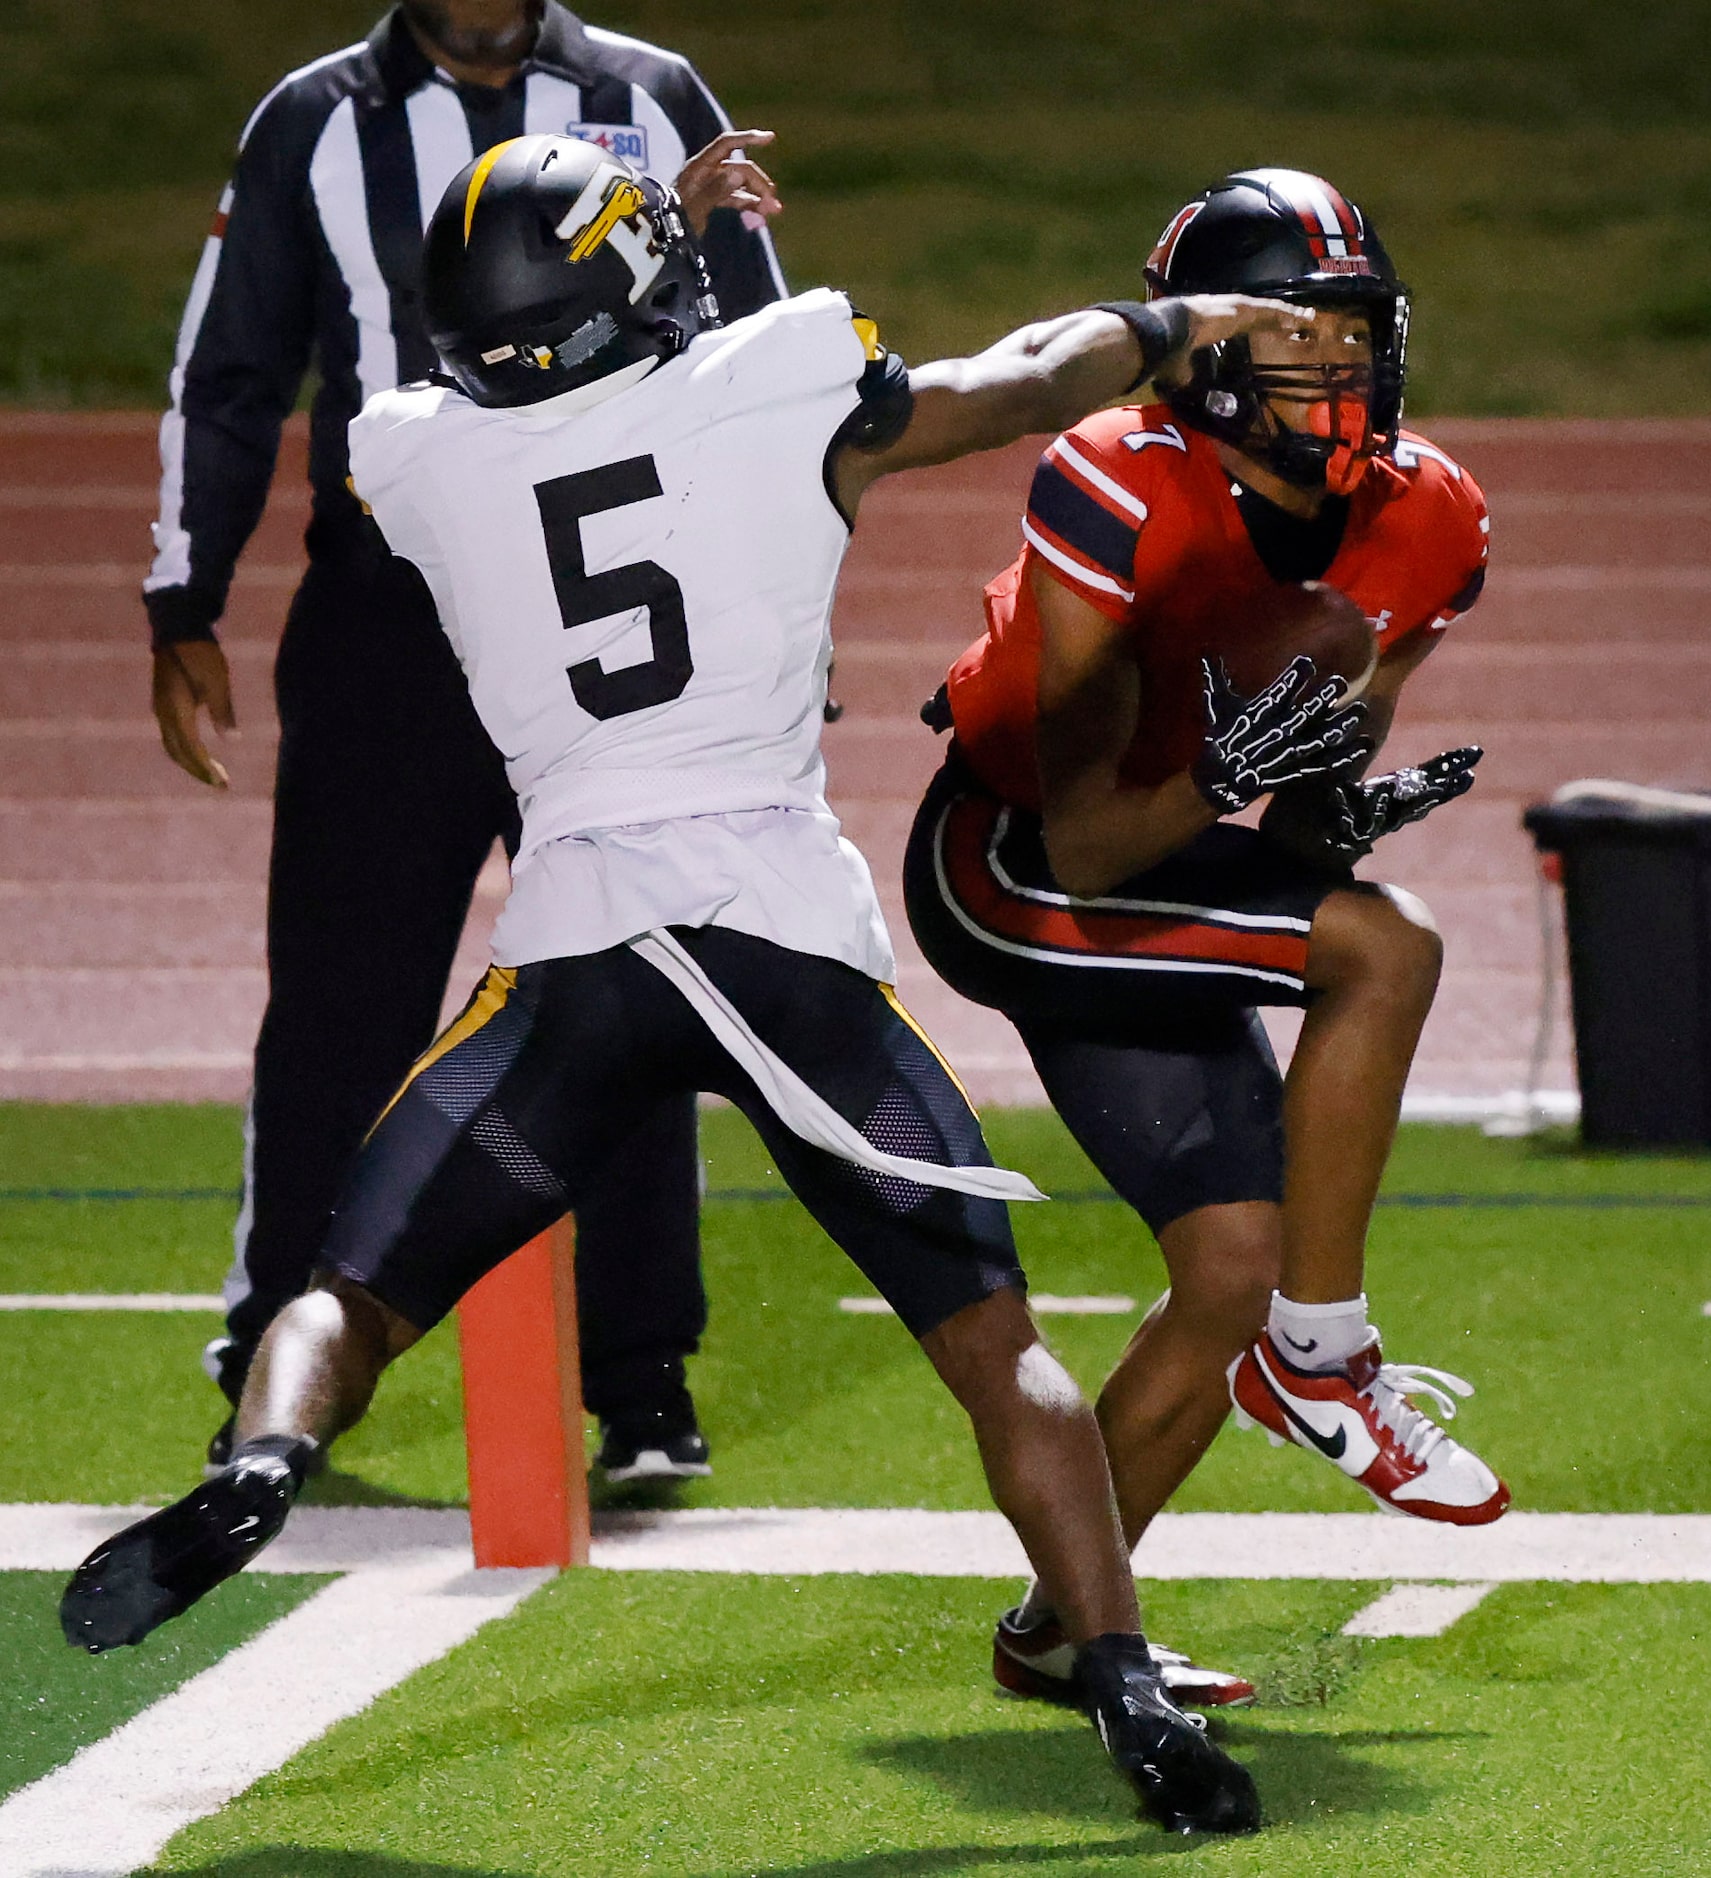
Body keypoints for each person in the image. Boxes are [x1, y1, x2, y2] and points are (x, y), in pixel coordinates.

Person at [57, 135, 1360, 1834]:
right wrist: (1179, 320)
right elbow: (1027, 377)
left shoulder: (416, 456)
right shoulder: (777, 377)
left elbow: (530, 392)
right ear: (631, 288)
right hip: (775, 938)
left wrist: (590, 277)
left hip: (573, 948)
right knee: (998, 1347)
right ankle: (1120, 1685)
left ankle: (255, 1468)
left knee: (349, 1292)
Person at [144, 0, 785, 1485]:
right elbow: (232, 368)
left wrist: (758, 607)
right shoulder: (313, 119)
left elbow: (759, 374)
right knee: (342, 999)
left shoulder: (651, 92)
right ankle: (275, 1350)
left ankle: (639, 1379)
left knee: (630, 983)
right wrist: (187, 588)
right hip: (392, 616)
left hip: (603, 610)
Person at [902, 168, 1510, 1709]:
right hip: (1018, 862)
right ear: (1209, 353)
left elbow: (1296, 811)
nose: (1336, 370)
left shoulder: (1425, 514)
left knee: (1233, 1260)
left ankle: (1060, 1628)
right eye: (1292, 338)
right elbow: (1097, 835)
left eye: (1354, 335)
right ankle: (1322, 1359)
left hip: (1154, 853)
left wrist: (1332, 817)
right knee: (1389, 949)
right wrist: (1245, 779)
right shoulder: (1116, 475)